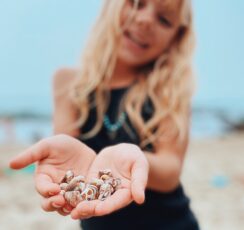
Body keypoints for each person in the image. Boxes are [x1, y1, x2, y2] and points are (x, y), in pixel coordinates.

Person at [10, 0, 200, 229]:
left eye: (164, 19)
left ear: (175, 38)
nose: (145, 20)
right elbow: (67, 156)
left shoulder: (169, 88)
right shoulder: (69, 83)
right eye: (137, 3)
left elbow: (170, 170)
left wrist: (132, 158)